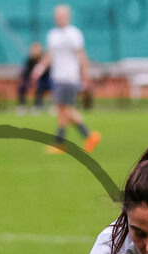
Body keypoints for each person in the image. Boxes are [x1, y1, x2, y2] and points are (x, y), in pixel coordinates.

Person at [30, 5, 100, 154]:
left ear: (68, 16)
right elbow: (49, 55)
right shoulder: (53, 35)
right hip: (57, 77)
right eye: (57, 15)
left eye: (61, 15)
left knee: (65, 109)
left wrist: (85, 75)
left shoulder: (74, 34)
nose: (58, 18)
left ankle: (87, 136)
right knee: (62, 109)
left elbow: (81, 56)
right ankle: (61, 142)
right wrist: (39, 69)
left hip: (70, 77)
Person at [17, 42, 52, 114]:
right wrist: (31, 79)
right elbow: (25, 72)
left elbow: (48, 72)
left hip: (44, 79)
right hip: (30, 79)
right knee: (22, 87)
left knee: (40, 86)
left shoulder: (44, 60)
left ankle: (38, 105)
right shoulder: (29, 60)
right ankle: (22, 105)